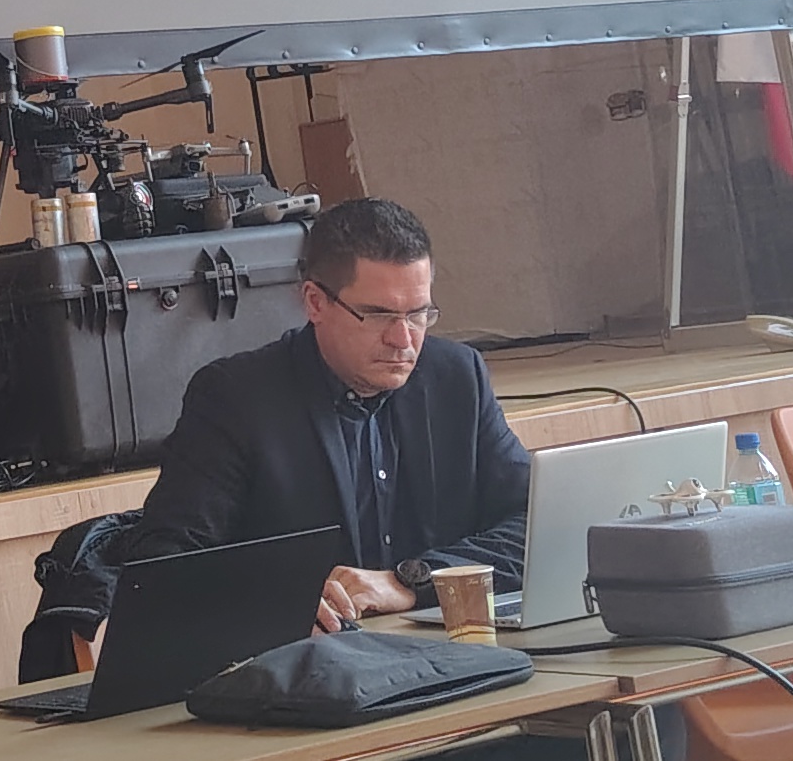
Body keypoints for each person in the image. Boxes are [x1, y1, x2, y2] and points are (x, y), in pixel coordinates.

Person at [121, 197, 533, 639]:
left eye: (418, 314)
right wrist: (278, 602)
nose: (404, 340)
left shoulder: (457, 378)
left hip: (445, 649)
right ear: (315, 303)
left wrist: (411, 581)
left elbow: (537, 525)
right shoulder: (235, 398)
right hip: (310, 657)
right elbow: (164, 566)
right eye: (378, 315)